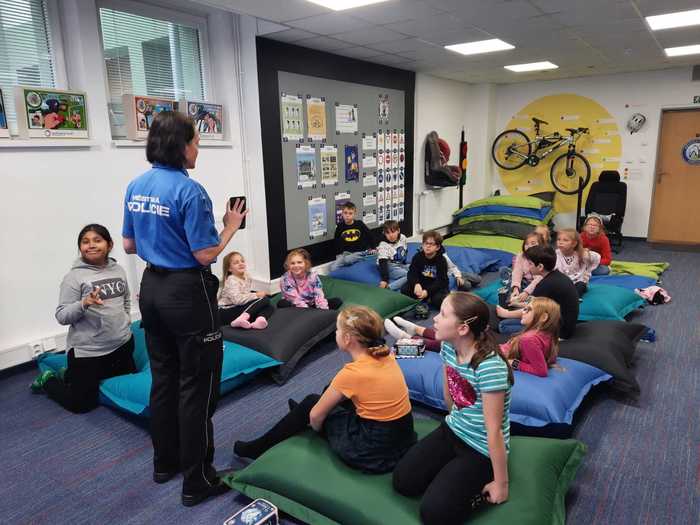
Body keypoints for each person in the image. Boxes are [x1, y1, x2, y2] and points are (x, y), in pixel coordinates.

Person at [122, 111, 247, 507]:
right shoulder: (190, 191)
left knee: (164, 379)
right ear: (180, 146)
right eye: (195, 142)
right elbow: (205, 253)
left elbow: (128, 245)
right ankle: (198, 481)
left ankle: (165, 464)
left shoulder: (136, 185)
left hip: (152, 290)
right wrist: (230, 225)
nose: (198, 149)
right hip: (186, 293)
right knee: (198, 388)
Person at [234, 306, 417, 473]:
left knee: (311, 404)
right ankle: (301, 414)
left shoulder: (352, 373)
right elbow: (414, 350)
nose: (336, 333)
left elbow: (316, 418)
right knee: (331, 391)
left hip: (372, 452)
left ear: (347, 339)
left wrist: (318, 425)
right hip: (404, 441)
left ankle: (256, 448)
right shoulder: (386, 353)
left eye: (338, 330)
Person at [393, 293, 512, 525]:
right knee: (403, 482)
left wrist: (501, 484)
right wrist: (452, 422)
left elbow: (494, 430)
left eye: (443, 314)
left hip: (481, 447)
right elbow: (450, 393)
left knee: (434, 514)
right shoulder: (449, 347)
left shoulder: (489, 367)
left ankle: (473, 489)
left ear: (463, 328)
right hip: (454, 429)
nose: (435, 318)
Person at [31, 224, 136, 413]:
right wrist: (84, 303)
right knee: (81, 405)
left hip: (122, 345)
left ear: (109, 245)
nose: (91, 245)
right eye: (85, 242)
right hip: (89, 352)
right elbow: (62, 315)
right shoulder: (74, 277)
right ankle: (48, 380)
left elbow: (126, 298)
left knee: (125, 384)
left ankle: (69, 375)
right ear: (80, 247)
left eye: (97, 240)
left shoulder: (118, 270)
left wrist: (126, 319)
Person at [496, 245, 579, 339]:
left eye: (530, 264)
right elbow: (539, 304)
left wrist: (506, 313)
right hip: (564, 325)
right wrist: (518, 303)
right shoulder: (557, 276)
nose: (528, 267)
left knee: (503, 325)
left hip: (558, 332)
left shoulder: (545, 285)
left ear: (540, 267)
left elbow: (531, 311)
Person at [499, 297, 560, 377]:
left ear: (543, 317)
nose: (523, 312)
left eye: (528, 310)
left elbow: (541, 371)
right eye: (524, 309)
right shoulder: (548, 333)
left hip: (498, 356)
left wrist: (513, 363)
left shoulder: (528, 339)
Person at [218, 252, 273, 329]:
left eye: (242, 261)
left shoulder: (247, 277)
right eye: (236, 263)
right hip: (226, 310)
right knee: (264, 299)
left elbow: (245, 295)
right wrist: (256, 295)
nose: (240, 264)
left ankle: (260, 320)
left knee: (269, 306)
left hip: (237, 306)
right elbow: (237, 300)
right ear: (230, 269)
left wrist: (255, 296)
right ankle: (242, 318)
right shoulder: (231, 280)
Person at [401, 230, 450, 309]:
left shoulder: (442, 260)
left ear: (437, 247)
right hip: (422, 283)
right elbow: (411, 273)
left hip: (436, 286)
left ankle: (429, 298)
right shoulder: (417, 257)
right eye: (426, 243)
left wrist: (427, 292)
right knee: (404, 289)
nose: (428, 246)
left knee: (438, 300)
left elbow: (441, 281)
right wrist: (416, 284)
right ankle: (425, 298)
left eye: (431, 244)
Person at [498, 231, 544, 308]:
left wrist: (526, 292)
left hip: (536, 283)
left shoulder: (542, 257)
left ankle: (514, 300)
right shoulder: (521, 256)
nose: (529, 246)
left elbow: (539, 279)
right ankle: (511, 294)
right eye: (526, 244)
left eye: (533, 243)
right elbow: (517, 272)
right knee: (504, 270)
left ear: (541, 245)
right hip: (524, 280)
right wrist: (515, 288)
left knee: (538, 293)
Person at [555, 228, 600, 298]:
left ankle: (574, 298)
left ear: (574, 244)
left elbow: (597, 257)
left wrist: (587, 254)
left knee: (580, 285)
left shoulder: (580, 254)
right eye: (558, 239)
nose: (560, 242)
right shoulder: (556, 254)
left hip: (578, 282)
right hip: (563, 282)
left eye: (565, 240)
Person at [330, 202, 375, 270]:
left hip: (359, 252)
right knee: (333, 267)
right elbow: (336, 241)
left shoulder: (359, 224)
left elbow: (370, 235)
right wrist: (338, 255)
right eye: (345, 213)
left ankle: (361, 259)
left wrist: (373, 248)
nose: (347, 215)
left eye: (350, 213)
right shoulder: (340, 226)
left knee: (348, 260)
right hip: (346, 253)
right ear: (342, 214)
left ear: (354, 214)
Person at [376, 220, 408, 291]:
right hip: (387, 265)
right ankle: (390, 288)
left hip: (399, 263)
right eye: (387, 233)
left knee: (415, 269)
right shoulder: (383, 245)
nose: (391, 235)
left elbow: (405, 250)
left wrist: (404, 263)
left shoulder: (403, 237)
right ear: (384, 233)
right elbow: (383, 262)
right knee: (409, 275)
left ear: (398, 230)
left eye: (393, 232)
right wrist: (385, 280)